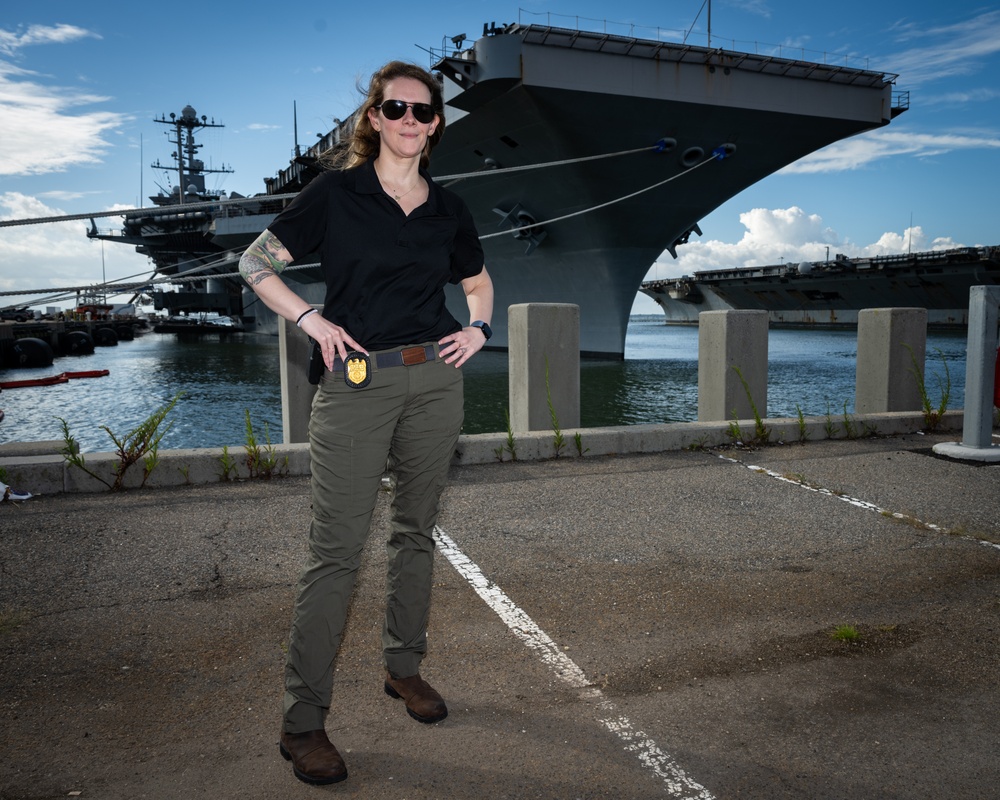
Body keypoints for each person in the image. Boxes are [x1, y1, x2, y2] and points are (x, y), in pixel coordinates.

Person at [239, 61, 493, 786]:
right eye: (396, 109)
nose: (410, 120)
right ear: (374, 119)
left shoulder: (449, 207)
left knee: (416, 530)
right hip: (355, 382)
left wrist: (478, 326)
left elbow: (475, 279)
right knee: (337, 552)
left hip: (435, 379)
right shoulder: (336, 194)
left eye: (423, 110)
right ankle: (301, 723)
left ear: (436, 122)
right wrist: (311, 317)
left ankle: (403, 670)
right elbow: (254, 262)